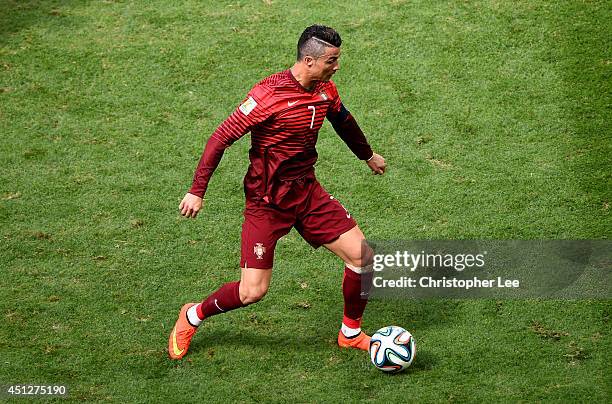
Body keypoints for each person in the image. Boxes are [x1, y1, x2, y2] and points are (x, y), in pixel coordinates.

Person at [168, 24, 387, 360]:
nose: (337, 66)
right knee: (252, 292)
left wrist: (367, 155)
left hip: (307, 192)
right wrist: (197, 191)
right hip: (266, 202)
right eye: (332, 60)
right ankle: (192, 315)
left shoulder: (326, 90)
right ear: (310, 61)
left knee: (363, 258)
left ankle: (350, 333)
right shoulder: (268, 95)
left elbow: (344, 121)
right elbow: (220, 138)